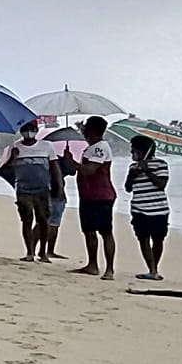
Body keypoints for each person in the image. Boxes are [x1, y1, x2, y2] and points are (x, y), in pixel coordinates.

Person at [0, 120, 62, 264]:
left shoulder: (47, 146)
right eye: (26, 129)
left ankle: (43, 252)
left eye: (32, 128)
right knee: (26, 220)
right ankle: (30, 252)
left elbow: (55, 167)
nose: (29, 131)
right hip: (23, 190)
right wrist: (12, 158)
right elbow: (5, 170)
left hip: (43, 189)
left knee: (43, 221)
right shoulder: (15, 147)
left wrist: (59, 185)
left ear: (37, 130)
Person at [71, 116, 118, 280]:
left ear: (92, 131)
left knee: (105, 232)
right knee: (89, 231)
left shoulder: (100, 148)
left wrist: (74, 163)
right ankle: (92, 264)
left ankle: (109, 269)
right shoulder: (91, 148)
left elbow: (90, 170)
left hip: (101, 196)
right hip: (88, 195)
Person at [126, 135, 171, 280]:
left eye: (134, 150)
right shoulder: (133, 166)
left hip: (159, 209)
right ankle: (152, 270)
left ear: (143, 151)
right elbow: (128, 188)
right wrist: (132, 176)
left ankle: (154, 268)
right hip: (139, 208)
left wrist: (147, 171)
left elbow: (161, 184)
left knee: (158, 239)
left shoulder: (161, 164)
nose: (132, 153)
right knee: (143, 238)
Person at [44, 149, 74, 261]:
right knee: (52, 223)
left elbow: (71, 171)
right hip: (54, 194)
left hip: (50, 193)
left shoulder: (47, 159)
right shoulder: (54, 160)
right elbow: (71, 171)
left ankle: (44, 250)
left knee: (49, 223)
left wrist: (68, 159)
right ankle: (45, 250)